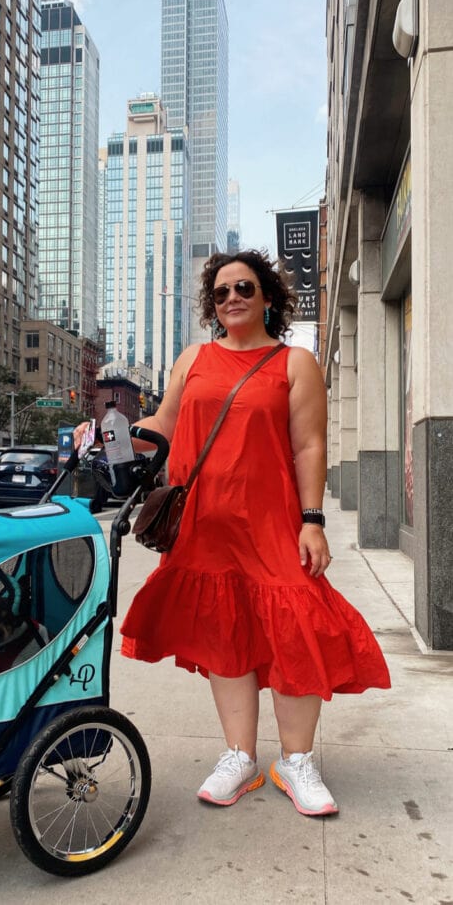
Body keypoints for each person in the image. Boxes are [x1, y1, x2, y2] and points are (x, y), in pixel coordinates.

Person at [122, 249, 390, 817]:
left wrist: (313, 521)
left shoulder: (294, 363)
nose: (232, 299)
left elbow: (309, 445)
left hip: (273, 521)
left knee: (297, 627)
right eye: (220, 293)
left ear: (267, 296)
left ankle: (296, 761)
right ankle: (240, 757)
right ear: (211, 305)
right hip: (204, 524)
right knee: (225, 634)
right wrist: (110, 432)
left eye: (243, 287)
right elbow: (164, 424)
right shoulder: (192, 358)